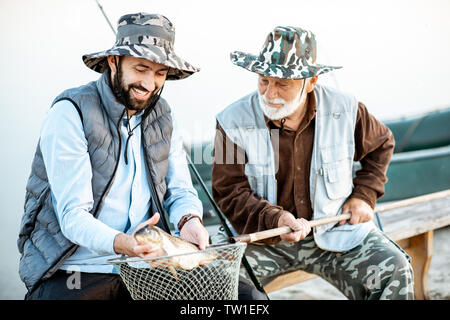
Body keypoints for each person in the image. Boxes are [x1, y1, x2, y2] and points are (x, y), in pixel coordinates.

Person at [18, 12, 211, 300]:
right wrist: (124, 243)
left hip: (145, 265)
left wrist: (189, 220)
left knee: (248, 299)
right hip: (74, 268)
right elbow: (72, 217)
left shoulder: (164, 116)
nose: (149, 83)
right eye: (141, 68)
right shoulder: (69, 113)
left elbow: (180, 190)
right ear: (113, 61)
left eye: (160, 73)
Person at [212, 26, 414, 299]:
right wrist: (277, 219)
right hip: (263, 241)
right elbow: (228, 192)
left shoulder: (347, 108)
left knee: (395, 268)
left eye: (283, 83)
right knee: (213, 280)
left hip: (335, 233)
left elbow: (381, 145)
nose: (270, 93)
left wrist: (364, 196)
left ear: (311, 81)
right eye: (263, 80)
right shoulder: (230, 121)